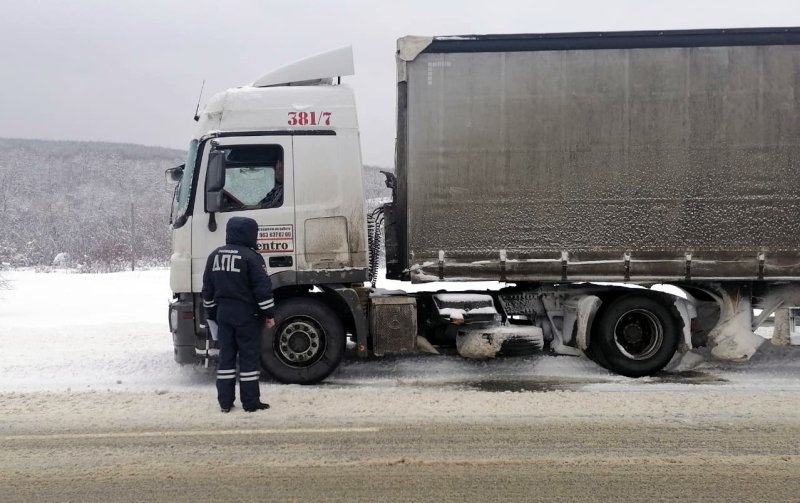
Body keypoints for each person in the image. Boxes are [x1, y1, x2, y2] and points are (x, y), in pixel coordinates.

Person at [202, 216, 276, 413]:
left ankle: (225, 402)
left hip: (224, 316)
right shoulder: (252, 257)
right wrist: (269, 313)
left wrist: (212, 313)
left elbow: (207, 290)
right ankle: (251, 402)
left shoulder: (214, 256)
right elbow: (262, 289)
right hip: (247, 317)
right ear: (249, 234)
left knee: (226, 358)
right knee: (248, 359)